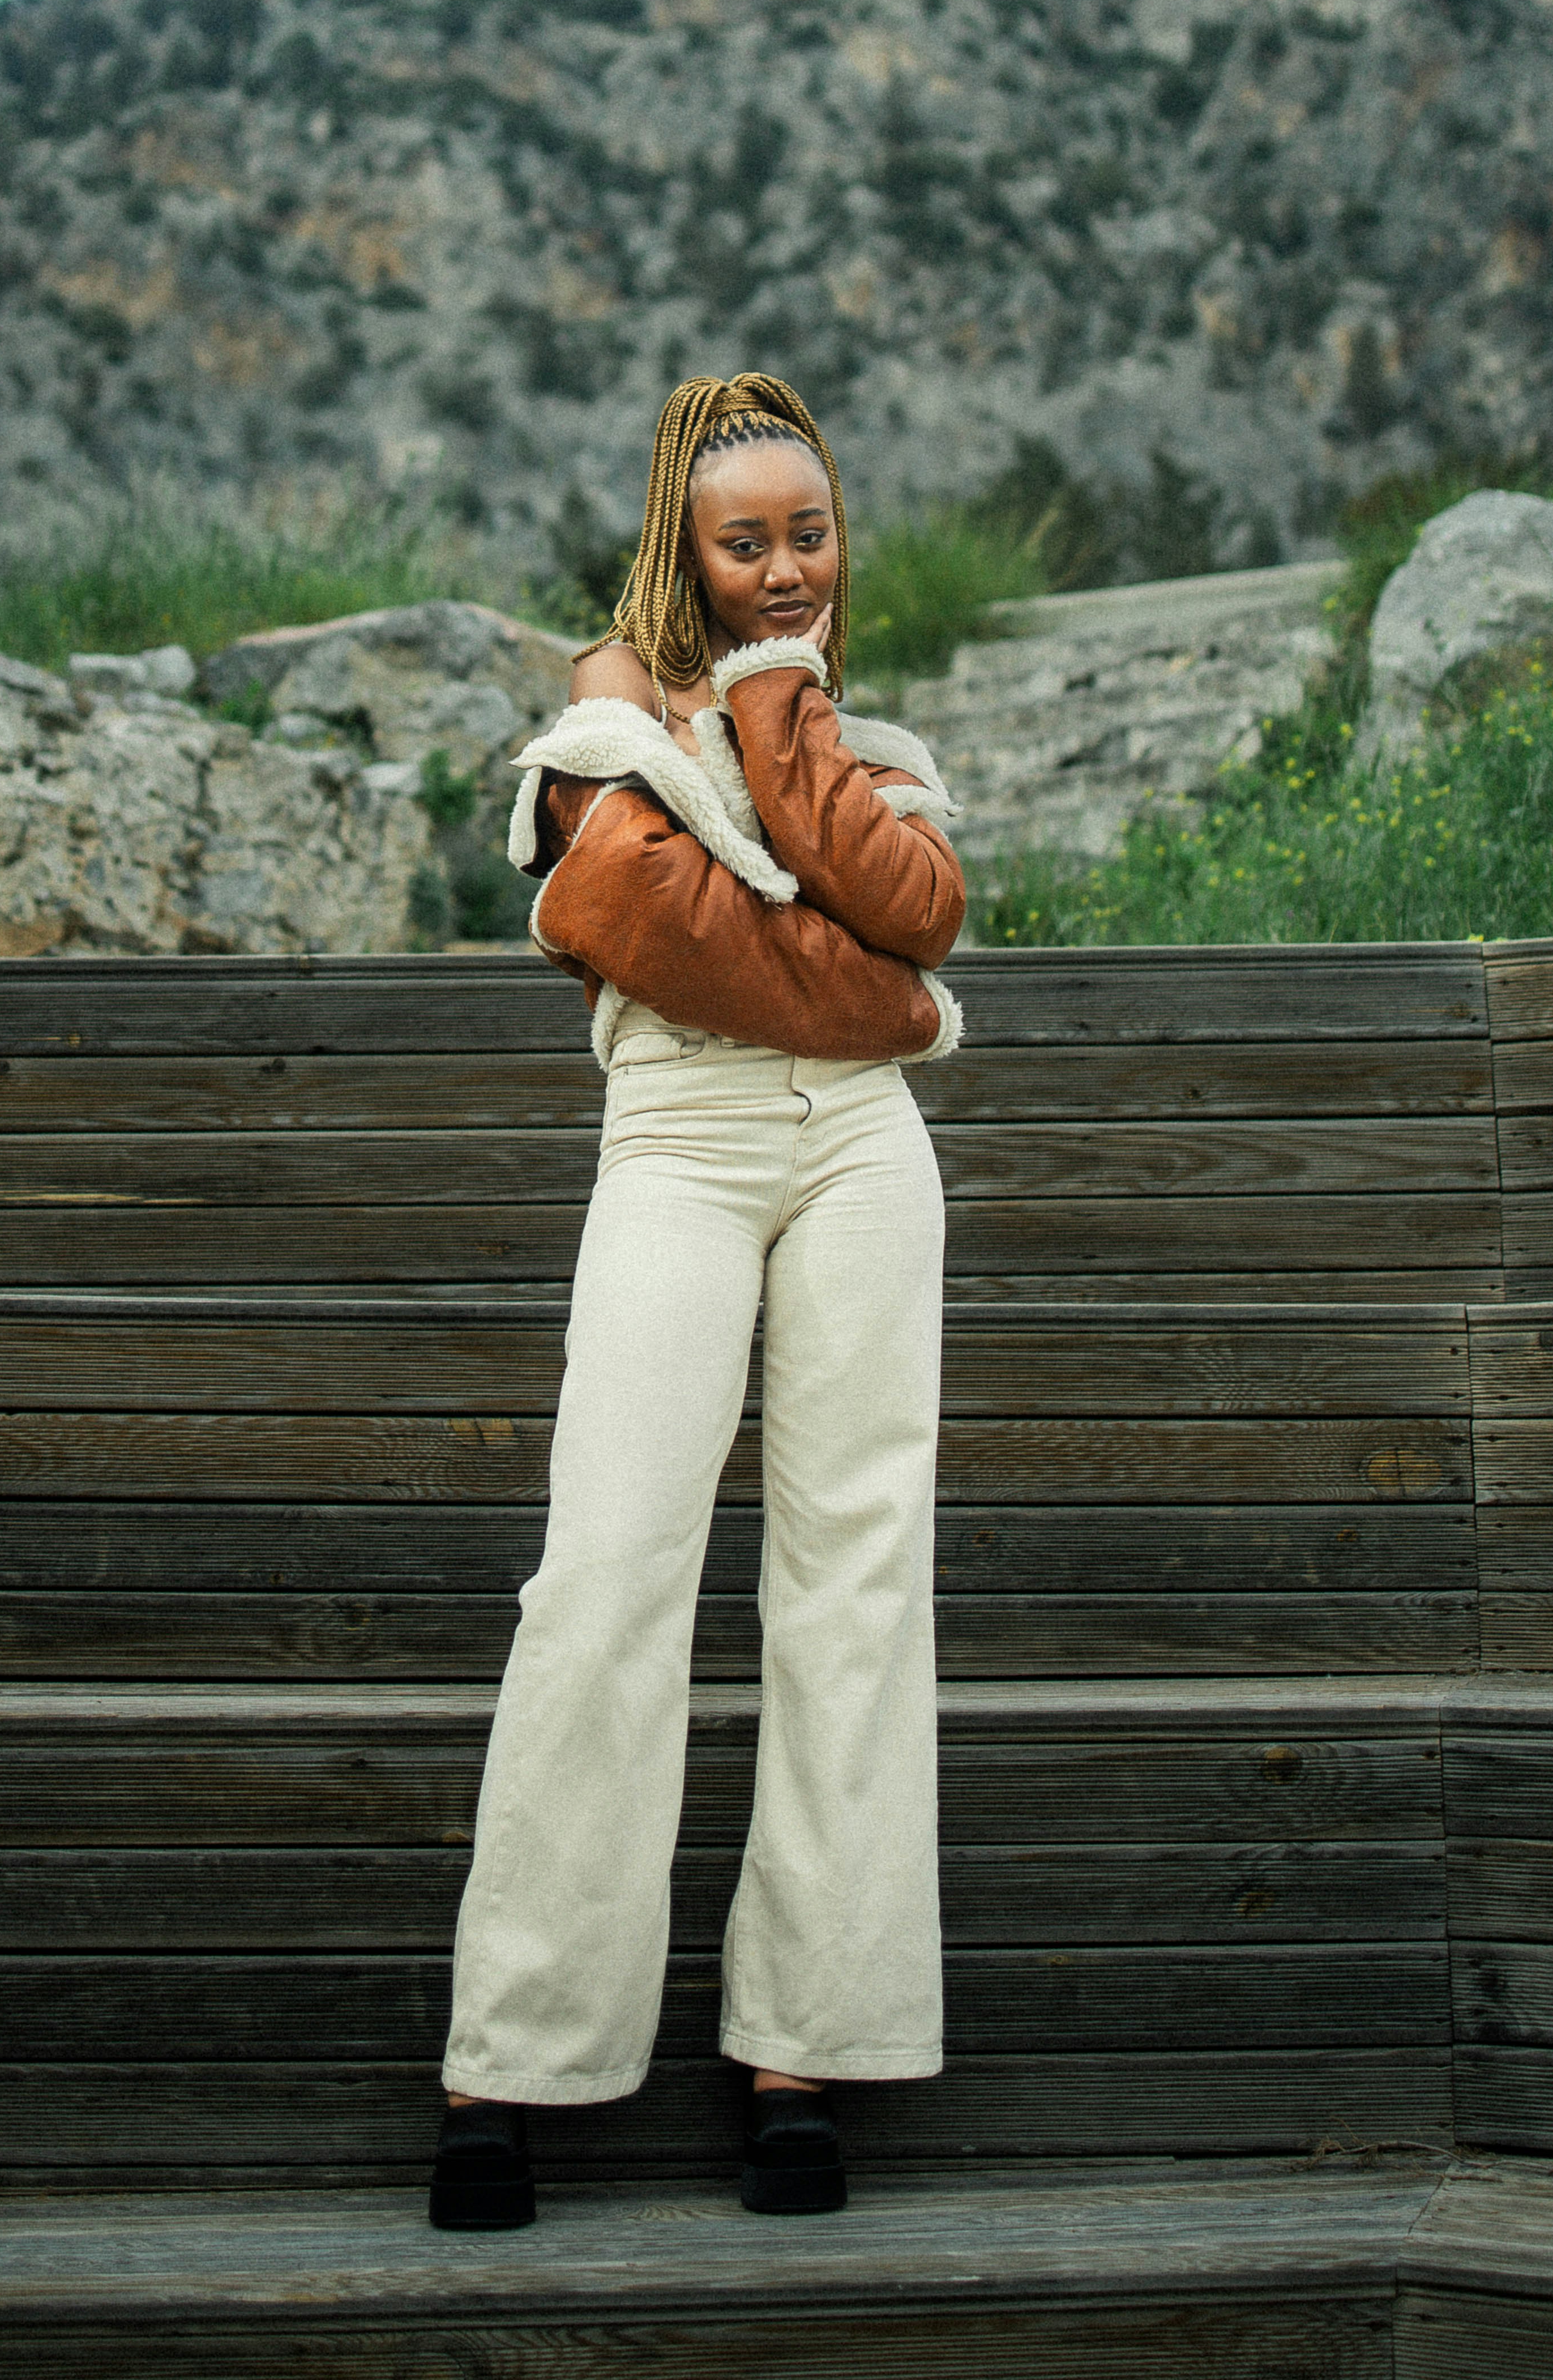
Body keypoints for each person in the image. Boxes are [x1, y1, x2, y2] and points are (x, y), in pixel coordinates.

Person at [430, 370, 966, 2230]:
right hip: (677, 1133)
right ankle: (510, 2051)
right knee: (607, 1567)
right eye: (743, 538)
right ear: (683, 538)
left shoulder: (851, 726)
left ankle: (799, 2049)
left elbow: (921, 900)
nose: (781, 562)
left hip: (862, 1159)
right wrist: (870, 988)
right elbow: (629, 912)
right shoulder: (602, 700)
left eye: (806, 529)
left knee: (854, 1573)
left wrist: (775, 712)